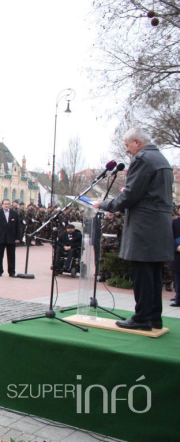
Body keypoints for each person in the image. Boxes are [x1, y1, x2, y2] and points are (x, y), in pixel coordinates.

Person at [93, 127, 174, 331]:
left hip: (144, 225)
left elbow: (130, 196)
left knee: (142, 273)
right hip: (158, 224)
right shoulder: (162, 159)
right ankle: (154, 317)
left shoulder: (142, 159)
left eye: (127, 146)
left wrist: (103, 205)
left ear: (137, 142)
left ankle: (141, 318)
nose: (127, 150)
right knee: (154, 274)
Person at [0, 199, 21, 277]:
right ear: (2, 205)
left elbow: (18, 226)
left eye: (8, 204)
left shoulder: (14, 213)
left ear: (10, 205)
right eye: (5, 204)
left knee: (11, 256)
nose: (6, 205)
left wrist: (18, 237)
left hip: (11, 238)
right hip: (0, 238)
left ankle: (11, 272)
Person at [171, 207, 180, 307]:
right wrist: (176, 247)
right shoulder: (175, 223)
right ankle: (178, 299)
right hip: (178, 254)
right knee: (178, 278)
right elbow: (170, 237)